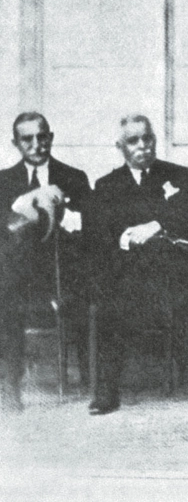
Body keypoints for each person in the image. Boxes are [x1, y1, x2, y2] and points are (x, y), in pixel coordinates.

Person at [87, 115, 188, 415]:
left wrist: (156, 224)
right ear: (120, 147)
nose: (143, 146)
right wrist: (128, 237)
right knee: (109, 292)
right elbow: (100, 233)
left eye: (147, 138)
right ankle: (107, 390)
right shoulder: (107, 185)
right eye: (133, 141)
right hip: (126, 275)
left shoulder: (178, 176)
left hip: (167, 272)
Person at [0, 112, 92, 402]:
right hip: (20, 275)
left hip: (64, 270)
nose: (36, 144)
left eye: (42, 137)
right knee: (7, 294)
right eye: (27, 139)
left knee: (88, 285)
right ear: (16, 143)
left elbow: (89, 228)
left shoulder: (74, 178)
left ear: (50, 138)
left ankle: (90, 379)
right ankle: (11, 383)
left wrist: (66, 215)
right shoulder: (3, 181)